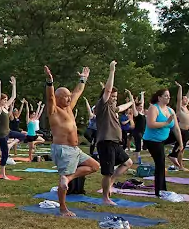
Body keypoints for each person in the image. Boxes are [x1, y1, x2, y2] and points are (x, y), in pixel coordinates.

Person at [45, 65, 100, 217]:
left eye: (69, 96)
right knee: (63, 181)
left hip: (75, 149)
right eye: (65, 97)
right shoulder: (54, 110)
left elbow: (77, 92)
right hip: (63, 149)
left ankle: (68, 178)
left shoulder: (69, 107)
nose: (69, 98)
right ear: (58, 98)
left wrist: (83, 79)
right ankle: (63, 208)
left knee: (94, 166)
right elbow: (50, 97)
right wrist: (50, 82)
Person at [93, 62, 134, 205]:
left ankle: (111, 183)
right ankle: (105, 198)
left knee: (128, 162)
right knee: (107, 172)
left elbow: (122, 107)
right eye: (113, 97)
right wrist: (112, 71)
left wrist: (132, 102)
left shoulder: (112, 108)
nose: (114, 99)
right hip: (106, 142)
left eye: (116, 97)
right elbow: (108, 90)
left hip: (115, 142)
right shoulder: (102, 105)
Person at [143, 88, 184, 197]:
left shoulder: (170, 110)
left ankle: (162, 189)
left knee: (186, 133)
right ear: (159, 97)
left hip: (163, 139)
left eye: (169, 96)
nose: (168, 97)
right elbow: (151, 124)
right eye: (166, 95)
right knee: (160, 162)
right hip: (152, 140)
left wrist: (180, 143)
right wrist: (166, 123)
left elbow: (176, 128)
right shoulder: (154, 108)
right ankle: (160, 191)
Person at [0, 76, 18, 178]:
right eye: (4, 99)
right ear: (1, 100)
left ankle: (10, 144)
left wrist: (14, 85)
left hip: (8, 132)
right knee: (5, 155)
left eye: (6, 100)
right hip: (2, 134)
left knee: (22, 135)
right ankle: (3, 175)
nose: (6, 101)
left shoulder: (5, 107)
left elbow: (14, 97)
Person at [172, 80, 189, 170]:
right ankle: (180, 166)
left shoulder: (186, 107)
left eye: (186, 99)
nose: (186, 99)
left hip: (186, 130)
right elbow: (179, 99)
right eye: (184, 99)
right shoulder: (179, 108)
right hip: (182, 130)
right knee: (182, 149)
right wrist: (180, 88)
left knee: (181, 147)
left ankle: (173, 156)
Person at [131, 91, 146, 163]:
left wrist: (142, 95)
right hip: (137, 132)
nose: (141, 107)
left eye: (141, 107)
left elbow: (142, 103)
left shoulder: (142, 113)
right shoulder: (136, 113)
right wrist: (131, 98)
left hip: (142, 132)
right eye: (139, 106)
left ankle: (136, 157)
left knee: (140, 146)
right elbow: (133, 106)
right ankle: (137, 160)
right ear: (137, 107)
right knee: (138, 147)